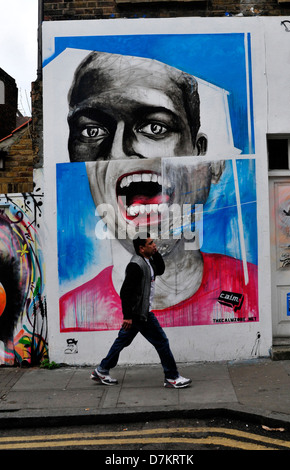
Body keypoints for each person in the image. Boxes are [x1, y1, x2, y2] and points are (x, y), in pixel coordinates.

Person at [59, 51, 258, 332]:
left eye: (154, 126)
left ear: (203, 157)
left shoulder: (252, 289)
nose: (118, 153)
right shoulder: (71, 315)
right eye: (92, 131)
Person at [91, 233, 192, 388]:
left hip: (139, 312)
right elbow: (125, 292)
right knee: (162, 342)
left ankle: (101, 370)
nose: (154, 245)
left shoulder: (148, 260)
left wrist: (156, 253)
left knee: (122, 341)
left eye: (153, 243)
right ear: (141, 248)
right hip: (140, 314)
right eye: (150, 243)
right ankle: (172, 377)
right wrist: (128, 317)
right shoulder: (135, 266)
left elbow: (161, 270)